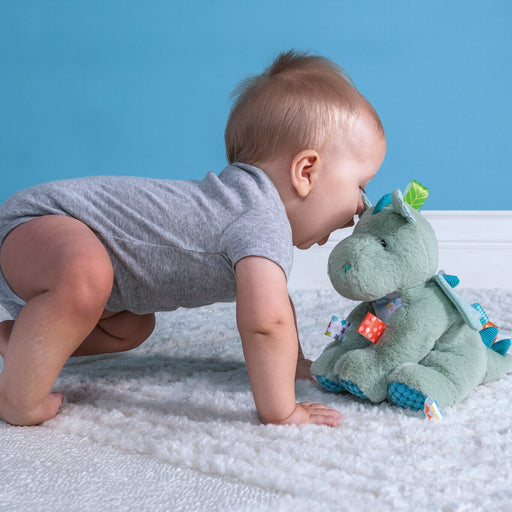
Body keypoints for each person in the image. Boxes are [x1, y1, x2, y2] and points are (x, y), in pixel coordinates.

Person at [0, 50, 386, 427]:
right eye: (361, 186)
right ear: (306, 172)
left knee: (129, 328)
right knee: (86, 275)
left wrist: (294, 362)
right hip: (39, 223)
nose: (361, 206)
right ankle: (18, 400)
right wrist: (281, 410)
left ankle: (20, 341)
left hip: (56, 246)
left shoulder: (253, 213)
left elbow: (277, 307)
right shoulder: (259, 216)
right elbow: (267, 324)